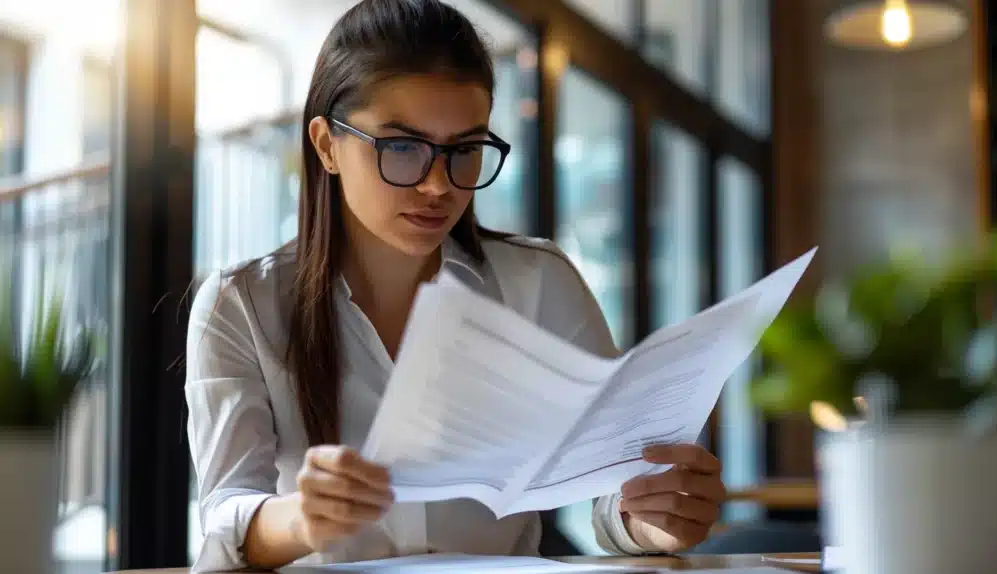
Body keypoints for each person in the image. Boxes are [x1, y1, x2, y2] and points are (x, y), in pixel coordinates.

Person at [185, 0, 726, 571]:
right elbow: (226, 516)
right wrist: (301, 519)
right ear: (326, 145)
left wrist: (650, 518)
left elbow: (612, 487)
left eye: (464, 150)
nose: (439, 185)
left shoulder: (536, 283)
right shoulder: (240, 306)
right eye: (402, 147)